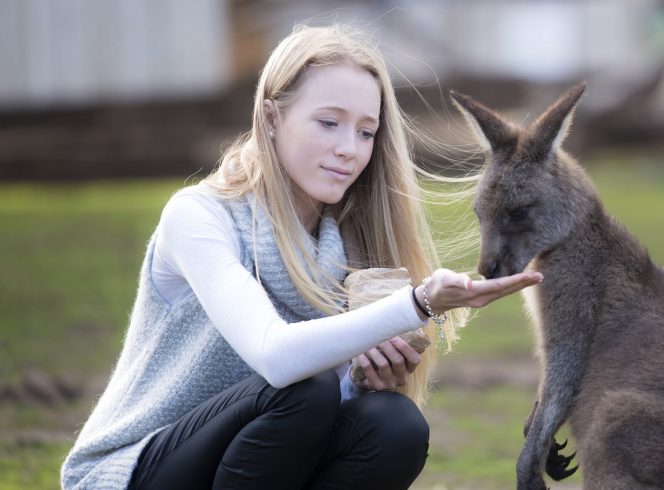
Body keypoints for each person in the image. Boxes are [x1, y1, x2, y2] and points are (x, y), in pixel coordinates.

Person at [61, 23, 542, 490]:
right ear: (272, 119)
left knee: (394, 425)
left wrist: (362, 381)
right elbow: (276, 358)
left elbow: (305, 416)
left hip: (253, 455)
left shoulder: (350, 247)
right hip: (136, 470)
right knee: (302, 392)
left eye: (365, 132)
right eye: (329, 123)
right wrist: (417, 303)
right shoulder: (199, 217)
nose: (347, 149)